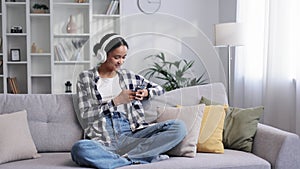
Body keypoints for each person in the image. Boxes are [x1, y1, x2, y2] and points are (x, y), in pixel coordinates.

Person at [71, 33, 187, 169]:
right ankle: (137, 158)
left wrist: (146, 93)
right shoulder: (85, 78)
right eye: (116, 57)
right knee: (79, 149)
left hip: (132, 133)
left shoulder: (128, 76)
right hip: (103, 138)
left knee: (179, 127)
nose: (121, 62)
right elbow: (85, 115)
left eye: (124, 57)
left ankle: (122, 159)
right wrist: (116, 101)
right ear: (102, 55)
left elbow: (159, 89)